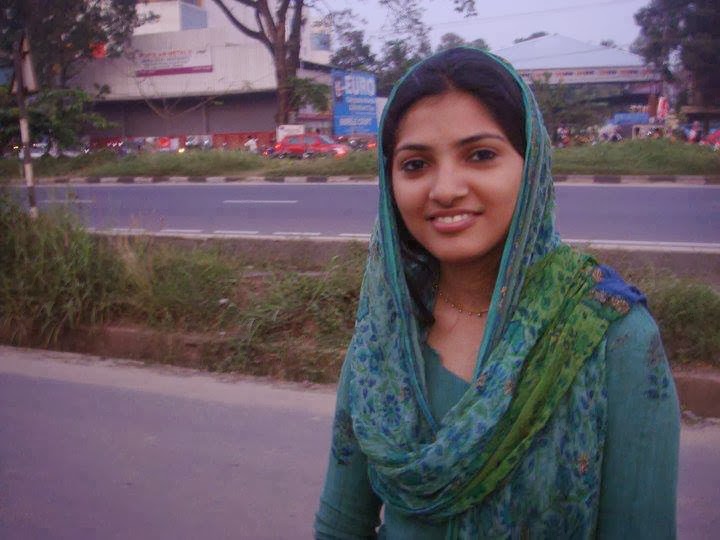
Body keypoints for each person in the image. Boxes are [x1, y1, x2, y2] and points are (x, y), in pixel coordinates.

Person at [315, 47, 679, 539]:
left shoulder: (612, 337)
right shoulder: (385, 334)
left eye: (481, 155)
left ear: (532, 166)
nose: (445, 189)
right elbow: (340, 525)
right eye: (416, 164)